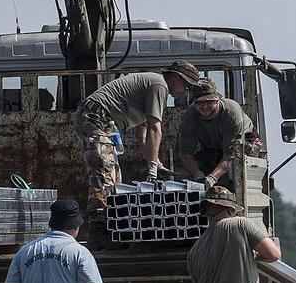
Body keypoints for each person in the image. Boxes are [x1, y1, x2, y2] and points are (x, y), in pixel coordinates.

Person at [74, 59, 202, 243]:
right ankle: (98, 232)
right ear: (175, 78)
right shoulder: (159, 86)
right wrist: (151, 168)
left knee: (114, 178)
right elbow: (155, 129)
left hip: (99, 119)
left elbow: (142, 135)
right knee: (103, 173)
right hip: (96, 117)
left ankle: (109, 228)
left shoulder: (151, 87)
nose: (185, 91)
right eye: (186, 85)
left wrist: (155, 163)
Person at [176, 79, 258, 191]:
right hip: (214, 147)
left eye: (209, 101)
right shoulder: (190, 117)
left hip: (244, 143)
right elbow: (186, 155)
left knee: (232, 174)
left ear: (217, 100)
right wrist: (197, 175)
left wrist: (212, 178)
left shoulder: (231, 113)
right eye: (199, 103)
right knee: (183, 174)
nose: (204, 107)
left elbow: (230, 156)